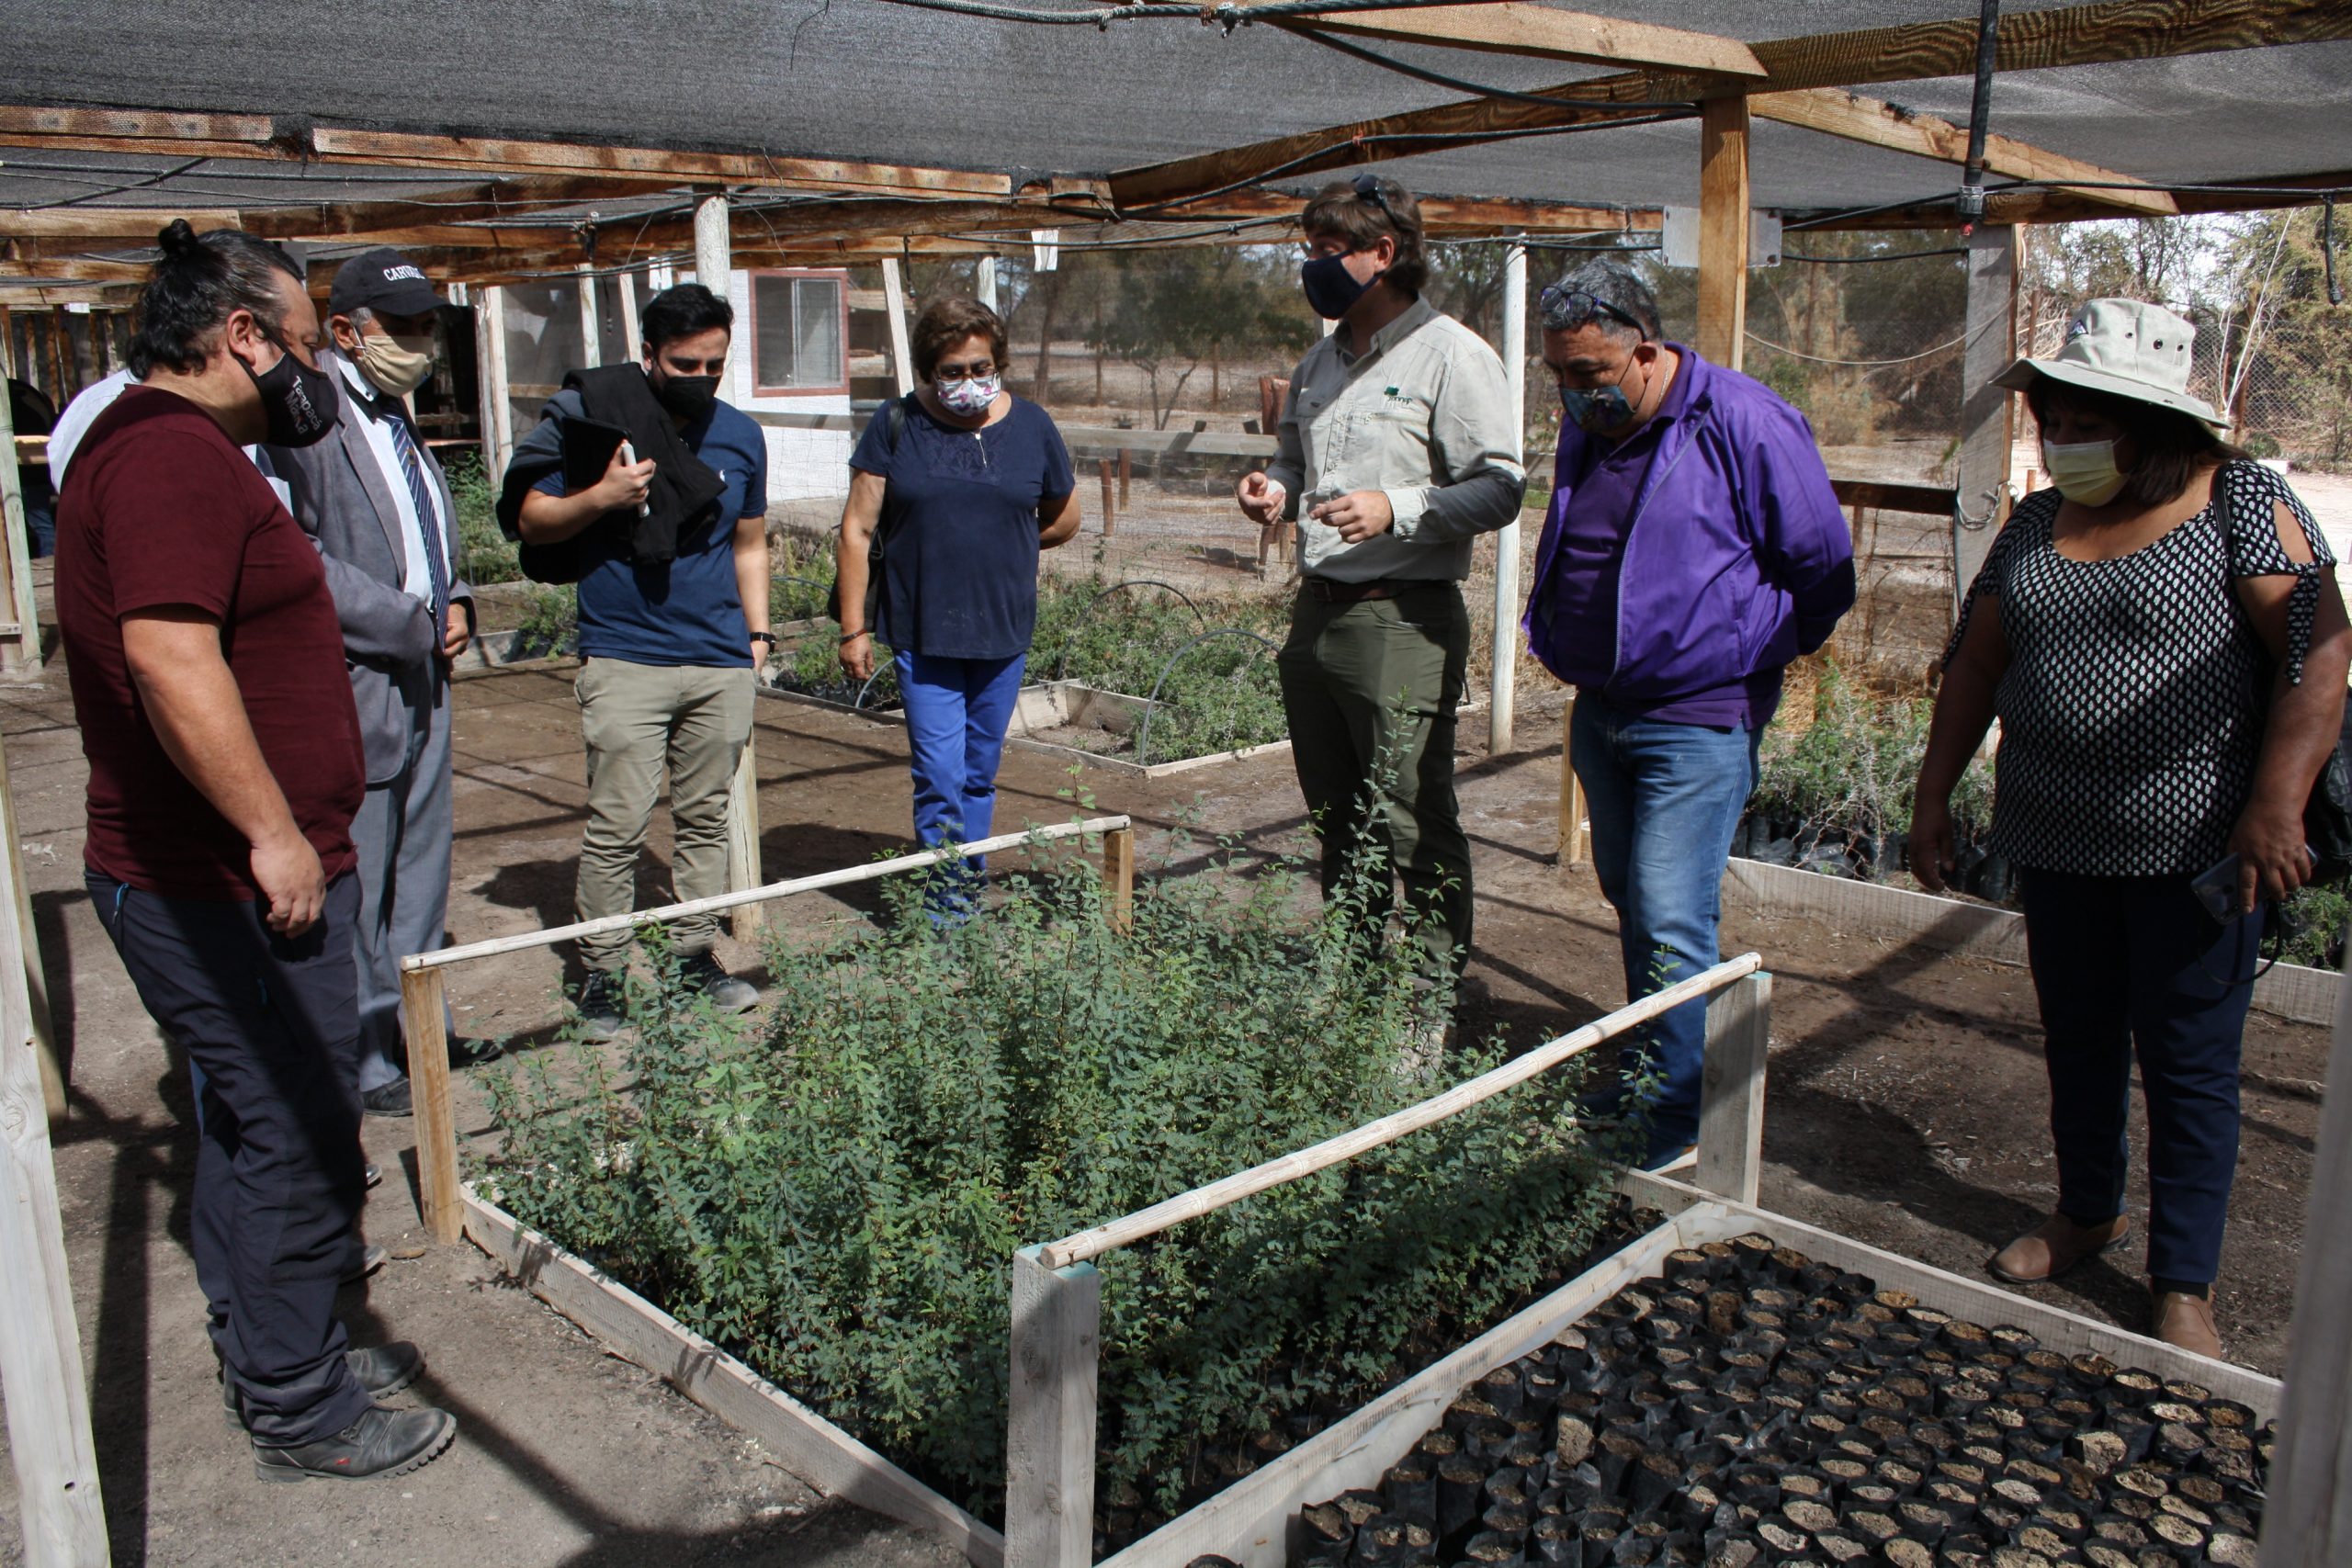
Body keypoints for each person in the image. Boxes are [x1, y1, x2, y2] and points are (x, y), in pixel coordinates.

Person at [55, 220, 455, 1480]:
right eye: (295, 344)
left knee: (250, 1110)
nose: (311, 372)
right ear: (240, 338)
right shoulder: (171, 458)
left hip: (222, 867)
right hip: (215, 876)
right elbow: (171, 659)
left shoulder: (178, 451)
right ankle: (298, 1397)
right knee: (295, 1117)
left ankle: (274, 1332)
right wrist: (273, 831)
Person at [1911, 298, 2350, 1358]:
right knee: (2077, 1038)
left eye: (2077, 419)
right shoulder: (2034, 520)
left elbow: (2321, 656)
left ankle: (2183, 1277)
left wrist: (2273, 809)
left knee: (2190, 1060)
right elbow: (1976, 663)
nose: (2057, 437)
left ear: (2150, 423)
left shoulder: (2241, 502)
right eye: (2049, 418)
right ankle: (2083, 1214)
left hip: (2199, 853)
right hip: (2057, 837)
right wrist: (1932, 797)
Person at [1522, 258, 1855, 1168]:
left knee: (1671, 912)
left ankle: (1671, 1126)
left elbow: (1824, 570)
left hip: (1697, 719)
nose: (1572, 393)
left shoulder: (1740, 420)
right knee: (1632, 898)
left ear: (1647, 352)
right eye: (1557, 374)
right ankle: (1653, 1074)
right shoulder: (1589, 423)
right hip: (1604, 708)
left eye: (1588, 374)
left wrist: (1742, 646)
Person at [1235, 175, 1525, 997]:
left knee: (1408, 814)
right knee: (1336, 815)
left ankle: (1429, 1000)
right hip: (1318, 614)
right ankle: (1357, 985)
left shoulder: (1455, 356)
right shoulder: (1318, 361)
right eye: (1310, 250)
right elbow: (1296, 459)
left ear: (1385, 254)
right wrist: (1275, 490)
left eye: (1330, 251)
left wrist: (1396, 507)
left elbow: (1502, 488)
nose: (1312, 265)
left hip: (1402, 617)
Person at [503, 282, 769, 1036]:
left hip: (718, 658)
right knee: (617, 823)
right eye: (685, 363)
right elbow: (530, 520)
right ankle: (605, 974)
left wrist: (757, 637)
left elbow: (749, 543)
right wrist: (604, 495)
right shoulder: (592, 417)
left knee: (705, 819)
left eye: (715, 364)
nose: (703, 378)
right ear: (647, 354)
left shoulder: (742, 435)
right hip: (625, 655)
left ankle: (691, 956)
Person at [267, 248, 472, 1118]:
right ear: (344, 332)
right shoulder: (308, 427)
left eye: (429, 324)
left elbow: (424, 526)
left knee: (423, 860)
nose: (422, 341)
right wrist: (405, 621)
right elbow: (300, 560)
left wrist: (456, 594)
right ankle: (364, 1055)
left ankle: (414, 1027)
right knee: (363, 865)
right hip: (356, 677)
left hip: (425, 670)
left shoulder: (396, 415)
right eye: (405, 326)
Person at [836, 297, 1080, 890]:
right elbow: (857, 528)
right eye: (953, 370)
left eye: (980, 367)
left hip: (1002, 628)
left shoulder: (1033, 426)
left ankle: (964, 883)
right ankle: (949, 907)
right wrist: (853, 627)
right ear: (929, 370)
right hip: (925, 628)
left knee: (978, 771)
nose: (969, 381)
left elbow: (1063, 517)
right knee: (939, 773)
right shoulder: (897, 425)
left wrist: (1002, 546)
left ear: (997, 362)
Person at [8, 377, 57, 557]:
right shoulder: (32, 408)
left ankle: (50, 562)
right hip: (39, 473)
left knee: (41, 526)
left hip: (27, 476)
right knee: (41, 524)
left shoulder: (13, 414)